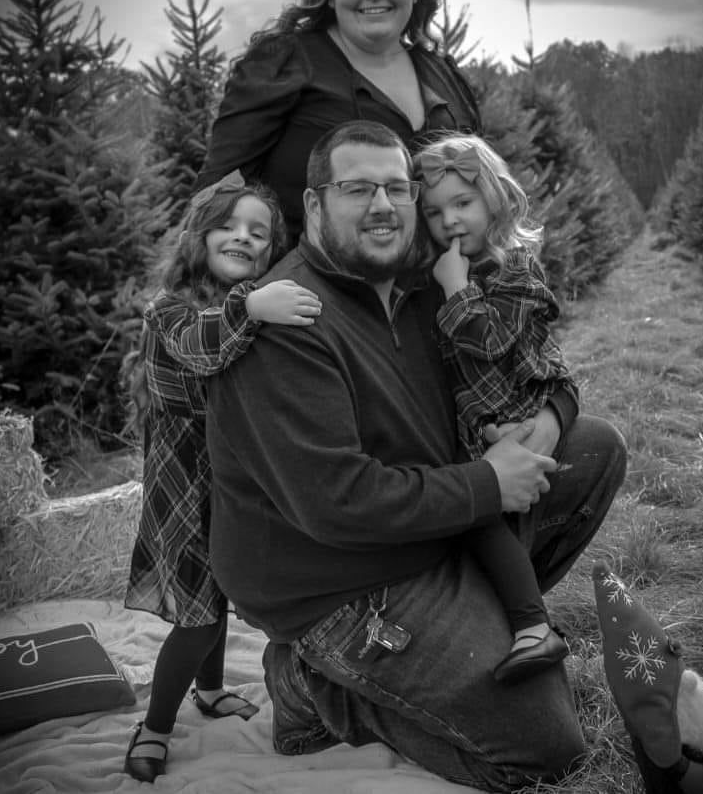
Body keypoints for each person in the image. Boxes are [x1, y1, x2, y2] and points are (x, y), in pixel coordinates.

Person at [206, 120, 627, 793]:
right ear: (314, 206)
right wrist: (490, 482)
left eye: (397, 188)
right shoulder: (289, 323)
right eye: (356, 188)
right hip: (338, 580)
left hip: (434, 527)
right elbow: (338, 502)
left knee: (594, 448)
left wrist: (545, 425)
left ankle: (476, 629)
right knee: (545, 746)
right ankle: (314, 680)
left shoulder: (427, 283)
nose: (382, 205)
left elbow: (544, 369)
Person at [122, 174, 322, 783]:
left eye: (257, 232)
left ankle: (208, 693)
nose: (242, 237)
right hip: (184, 484)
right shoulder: (174, 310)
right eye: (228, 226)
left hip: (233, 478)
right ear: (199, 237)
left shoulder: (254, 306)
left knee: (220, 591)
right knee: (198, 613)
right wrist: (253, 308)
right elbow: (203, 347)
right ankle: (155, 725)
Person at [193, 0, 481, 245]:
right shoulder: (286, 60)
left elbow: (481, 186)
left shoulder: (442, 73)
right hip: (306, 287)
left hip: (440, 288)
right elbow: (220, 186)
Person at [415, 132, 577, 683]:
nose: (450, 221)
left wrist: (456, 289)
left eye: (463, 203)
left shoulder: (516, 271)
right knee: (481, 525)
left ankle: (533, 626)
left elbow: (489, 343)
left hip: (522, 417)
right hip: (478, 432)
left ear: (494, 198)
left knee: (491, 523)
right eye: (434, 211)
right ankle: (519, 624)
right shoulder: (439, 276)